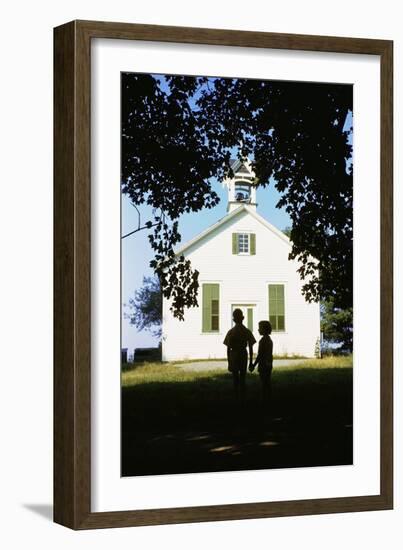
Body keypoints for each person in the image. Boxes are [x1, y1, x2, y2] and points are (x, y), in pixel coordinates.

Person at [223, 308, 256, 401]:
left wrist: (229, 362)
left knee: (235, 378)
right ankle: (242, 396)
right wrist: (251, 362)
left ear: (233, 319)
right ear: (243, 318)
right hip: (243, 354)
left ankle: (236, 396)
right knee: (243, 377)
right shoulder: (247, 331)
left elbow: (228, 349)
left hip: (234, 355)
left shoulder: (231, 332)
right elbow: (250, 347)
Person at [249, 320, 273, 412]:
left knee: (264, 383)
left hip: (263, 365)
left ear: (264, 329)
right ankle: (268, 400)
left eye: (260, 328)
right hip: (269, 364)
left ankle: (264, 402)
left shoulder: (262, 341)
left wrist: (253, 365)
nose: (258, 330)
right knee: (268, 383)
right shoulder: (269, 340)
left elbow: (260, 355)